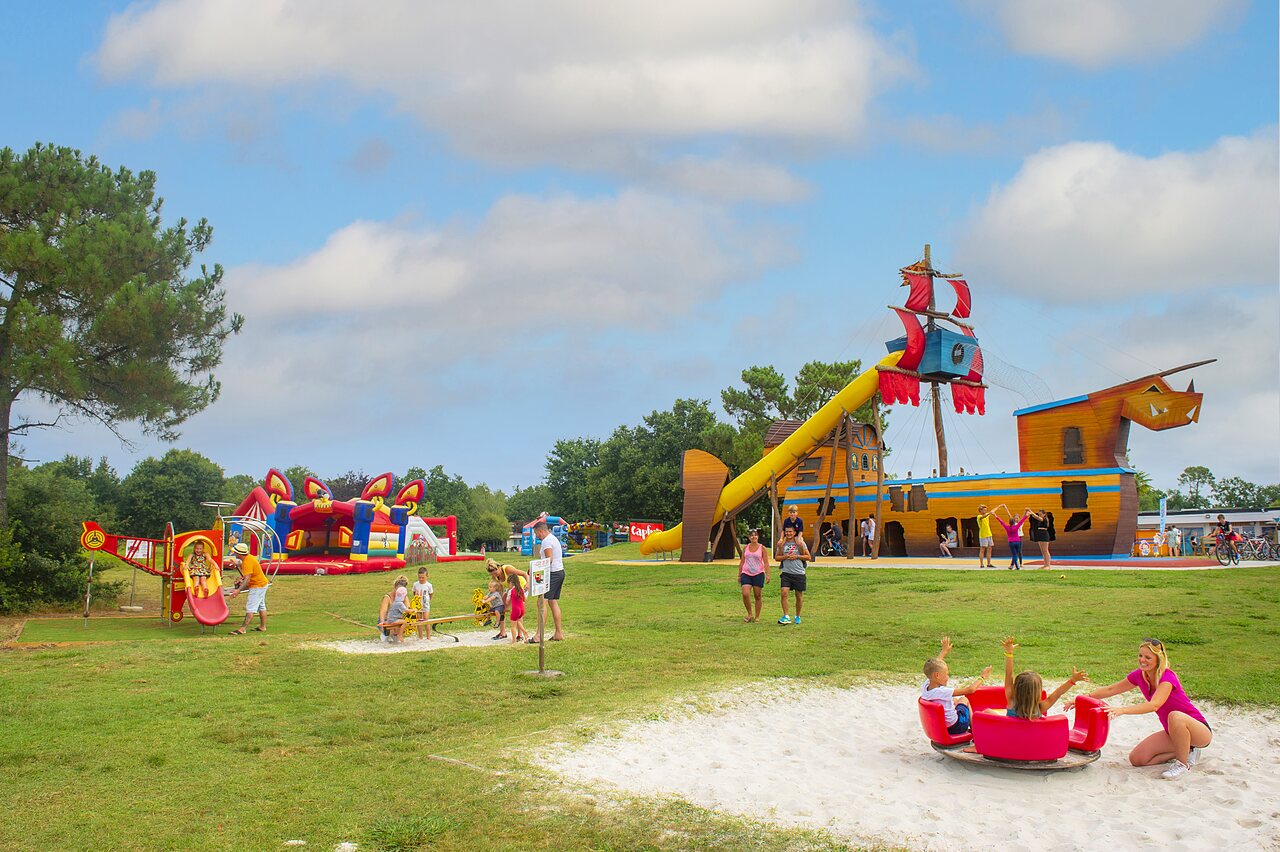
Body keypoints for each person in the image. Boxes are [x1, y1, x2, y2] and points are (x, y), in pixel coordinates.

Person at [1066, 638, 1212, 780]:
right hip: (1173, 732)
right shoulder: (1140, 675)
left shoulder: (1167, 677)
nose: (1142, 660)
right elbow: (1111, 689)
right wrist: (1082, 699)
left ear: (1158, 660)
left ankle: (1182, 764)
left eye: (1148, 657)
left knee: (1175, 716)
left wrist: (1122, 710)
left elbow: (1154, 704)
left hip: (1199, 731)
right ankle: (1189, 750)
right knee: (1138, 759)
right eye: (1140, 655)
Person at [996, 635, 1088, 719]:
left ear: (1016, 688)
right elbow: (1058, 692)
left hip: (1010, 734)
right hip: (1030, 736)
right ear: (1037, 692)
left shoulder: (1011, 701)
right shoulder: (1041, 707)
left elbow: (1009, 674)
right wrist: (1073, 680)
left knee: (988, 711)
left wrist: (1009, 653)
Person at [921, 635, 993, 736]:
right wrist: (983, 677)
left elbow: (934, 667)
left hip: (943, 726)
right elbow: (970, 690)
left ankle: (973, 728)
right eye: (946, 674)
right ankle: (976, 732)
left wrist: (944, 652)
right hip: (957, 726)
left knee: (955, 701)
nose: (948, 676)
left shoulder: (927, 685)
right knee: (964, 700)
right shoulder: (942, 692)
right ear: (937, 675)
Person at [531, 519, 566, 642]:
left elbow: (549, 560)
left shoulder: (546, 541)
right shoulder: (553, 538)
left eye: (536, 534)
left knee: (542, 602)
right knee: (552, 602)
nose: (537, 536)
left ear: (541, 531)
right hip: (560, 572)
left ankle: (539, 635)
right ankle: (558, 633)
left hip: (552, 574)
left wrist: (535, 568)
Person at [228, 542, 269, 635]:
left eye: (235, 552)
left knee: (251, 607)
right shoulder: (248, 558)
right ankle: (262, 627)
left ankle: (243, 629)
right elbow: (247, 570)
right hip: (262, 584)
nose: (234, 553)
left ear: (240, 553)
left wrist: (238, 590)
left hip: (257, 586)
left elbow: (247, 578)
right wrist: (238, 565)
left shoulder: (247, 562)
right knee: (261, 606)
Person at [773, 525, 810, 625]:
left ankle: (797, 616)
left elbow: (808, 557)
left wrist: (797, 556)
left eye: (790, 532)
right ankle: (786, 616)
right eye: (786, 532)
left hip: (799, 573)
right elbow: (777, 558)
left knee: (799, 596)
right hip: (786, 573)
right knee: (784, 593)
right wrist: (784, 556)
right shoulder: (782, 543)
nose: (788, 533)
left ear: (794, 533)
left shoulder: (800, 543)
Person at [737, 528, 770, 623]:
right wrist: (739, 575)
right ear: (749, 537)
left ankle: (757, 616)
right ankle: (750, 614)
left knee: (757, 595)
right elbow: (742, 561)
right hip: (746, 573)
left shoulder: (762, 548)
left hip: (758, 573)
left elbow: (766, 562)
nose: (753, 537)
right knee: (745, 593)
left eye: (755, 535)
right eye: (751, 535)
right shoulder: (745, 548)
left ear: (758, 537)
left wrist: (767, 574)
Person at [992, 504, 1029, 570]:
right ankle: (1016, 566)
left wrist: (995, 516)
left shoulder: (1007, 527)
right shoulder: (1016, 526)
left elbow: (1001, 522)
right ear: (1014, 520)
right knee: (1016, 554)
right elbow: (1022, 520)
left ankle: (1016, 565)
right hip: (1017, 541)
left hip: (1011, 542)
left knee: (1014, 554)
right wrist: (1026, 515)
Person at [412, 568, 434, 639]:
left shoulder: (429, 585)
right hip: (417, 606)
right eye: (419, 577)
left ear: (427, 576)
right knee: (419, 621)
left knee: (426, 619)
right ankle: (420, 637)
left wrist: (428, 601)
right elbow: (414, 592)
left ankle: (428, 637)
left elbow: (431, 594)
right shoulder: (415, 584)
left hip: (425, 605)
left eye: (423, 577)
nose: (421, 579)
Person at [507, 572, 528, 644]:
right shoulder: (521, 589)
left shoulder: (511, 591)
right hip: (522, 609)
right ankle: (525, 632)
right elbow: (524, 599)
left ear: (511, 583)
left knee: (513, 626)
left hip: (515, 610)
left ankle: (514, 640)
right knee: (518, 621)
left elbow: (507, 602)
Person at [976, 504, 996, 568]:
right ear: (980, 511)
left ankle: (989, 563)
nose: (985, 511)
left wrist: (999, 506)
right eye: (984, 510)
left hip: (989, 534)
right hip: (983, 535)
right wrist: (989, 513)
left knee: (990, 548)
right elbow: (983, 516)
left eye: (985, 510)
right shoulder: (979, 516)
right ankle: (981, 564)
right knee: (982, 549)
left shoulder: (987, 515)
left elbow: (992, 511)